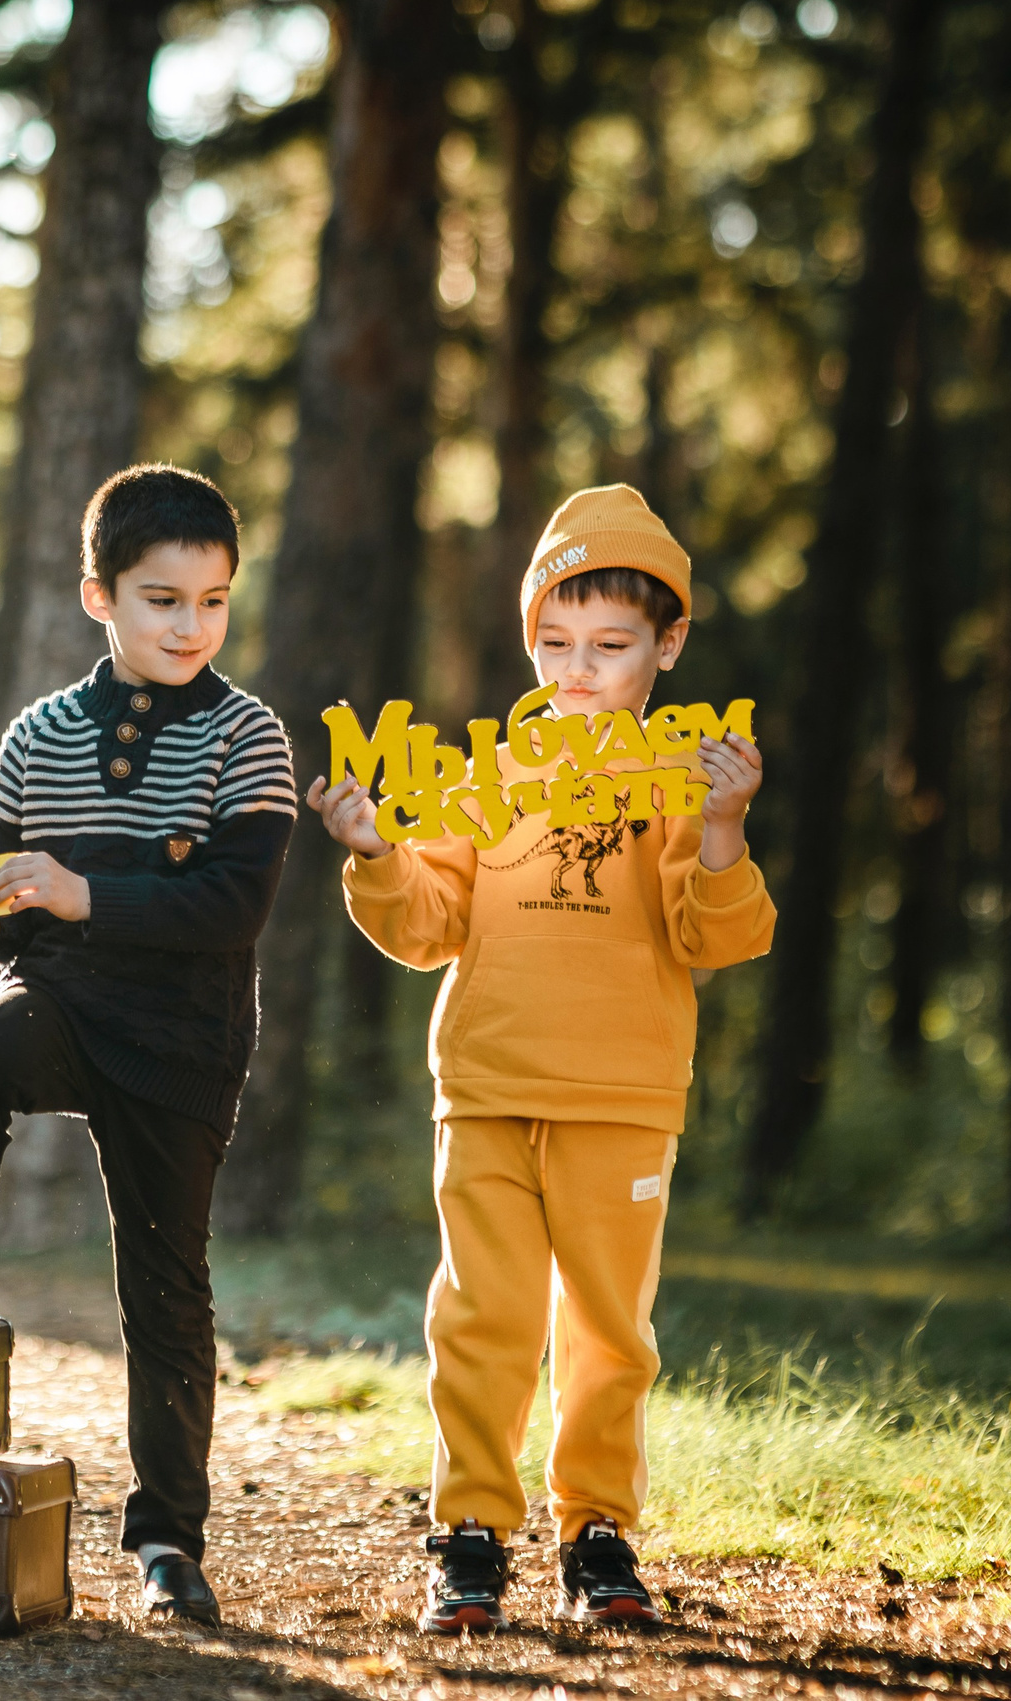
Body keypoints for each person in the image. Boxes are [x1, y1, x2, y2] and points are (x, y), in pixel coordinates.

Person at [309, 485, 773, 1633]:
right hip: (485, 1088)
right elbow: (424, 925)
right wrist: (373, 853)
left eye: (609, 648)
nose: (576, 669)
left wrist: (723, 829)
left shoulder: (678, 785)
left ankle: (597, 1529)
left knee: (610, 1328)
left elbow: (717, 934)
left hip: (621, 1092)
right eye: (553, 644)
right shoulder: (482, 776)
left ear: (665, 645)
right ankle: (470, 1528)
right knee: (483, 1314)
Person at [0, 463, 297, 1628]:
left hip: (185, 1037)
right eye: (161, 599)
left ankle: (167, 1542)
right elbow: (6, 903)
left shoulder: (247, 735)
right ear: (99, 596)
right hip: (61, 1001)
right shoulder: (40, 735)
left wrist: (80, 889)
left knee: (166, 1288)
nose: (189, 625)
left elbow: (231, 909)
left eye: (211, 601)